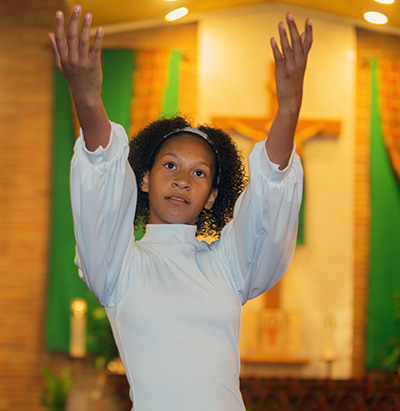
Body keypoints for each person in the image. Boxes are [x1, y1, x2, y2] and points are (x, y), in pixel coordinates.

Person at [49, 5, 312, 410]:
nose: (182, 180)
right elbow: (101, 175)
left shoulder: (227, 263)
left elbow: (269, 195)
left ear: (211, 197)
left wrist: (289, 106)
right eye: (170, 165)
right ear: (144, 178)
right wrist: (87, 98)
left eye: (200, 173)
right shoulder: (118, 266)